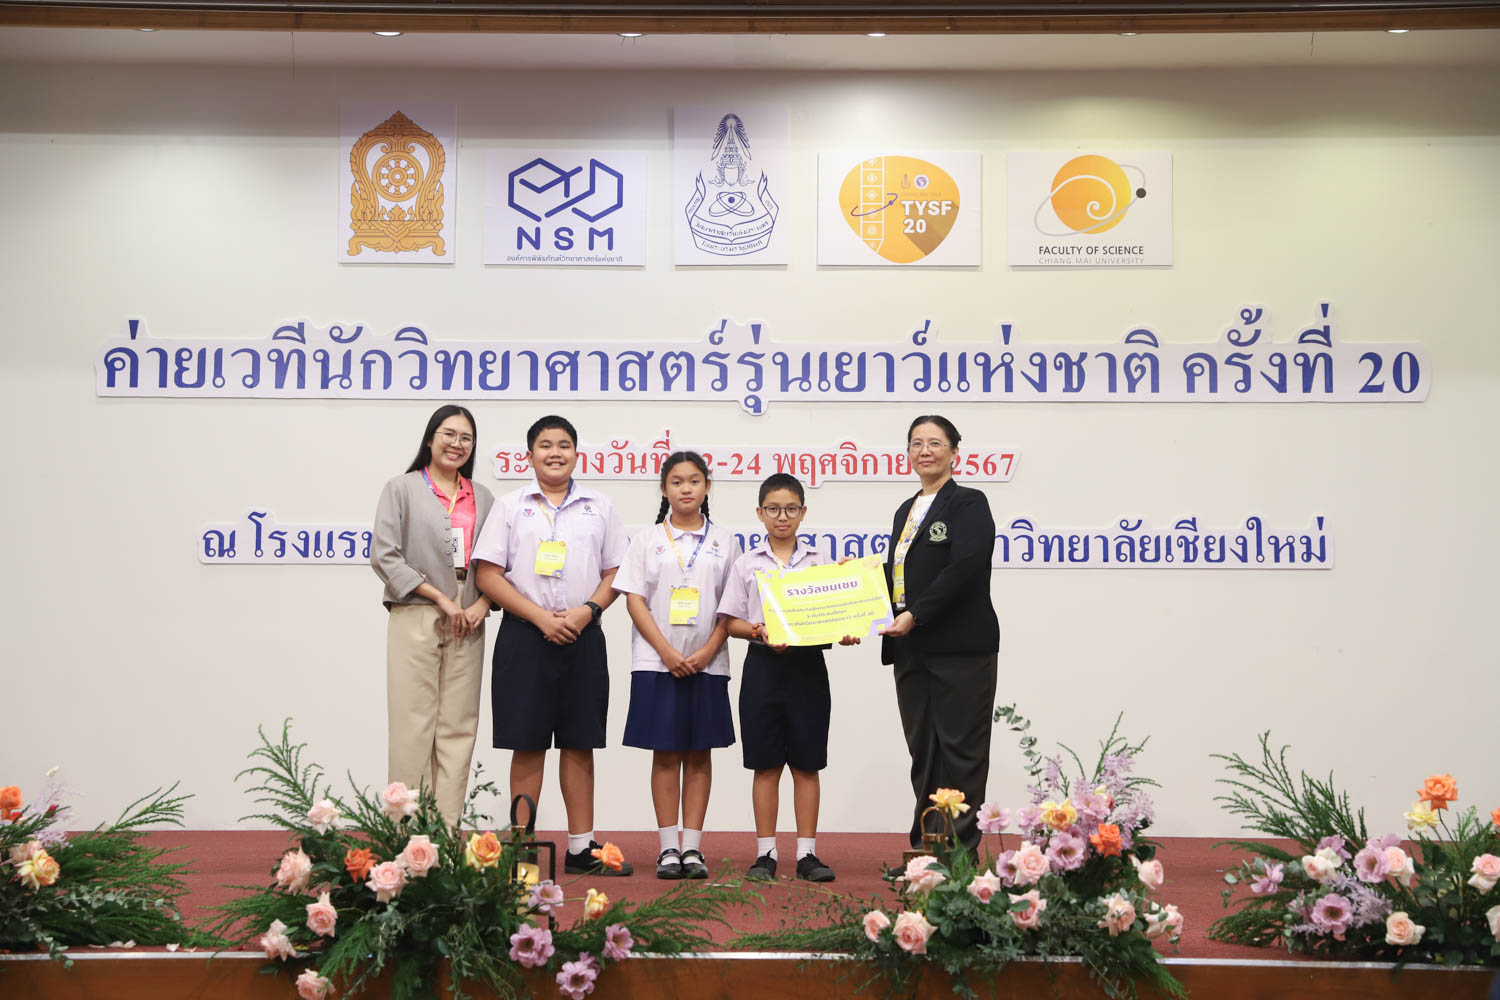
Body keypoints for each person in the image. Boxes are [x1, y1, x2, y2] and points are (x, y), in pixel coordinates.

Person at [472, 415, 634, 876]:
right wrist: (540, 616)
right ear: (530, 455)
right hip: (525, 636)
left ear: (576, 454)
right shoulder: (510, 506)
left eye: (564, 445)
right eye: (545, 445)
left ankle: (581, 848)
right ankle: (522, 851)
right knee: (527, 744)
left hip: (584, 635)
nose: (555, 453)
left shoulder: (600, 506)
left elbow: (616, 571)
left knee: (579, 743)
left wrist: (587, 611)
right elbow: (488, 575)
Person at [721, 473, 860, 883]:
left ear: (803, 512)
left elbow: (840, 617)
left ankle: (806, 854)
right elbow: (730, 622)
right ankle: (765, 854)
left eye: (790, 509)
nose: (782, 517)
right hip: (763, 667)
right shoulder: (747, 563)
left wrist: (847, 627)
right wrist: (759, 631)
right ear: (759, 513)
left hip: (807, 668)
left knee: (806, 764)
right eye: (773, 509)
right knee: (765, 765)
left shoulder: (821, 563)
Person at [613, 452, 741, 880]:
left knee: (699, 753)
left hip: (709, 662)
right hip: (656, 662)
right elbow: (634, 600)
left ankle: (693, 849)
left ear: (707, 486)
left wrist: (708, 650)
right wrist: (666, 651)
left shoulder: (725, 541)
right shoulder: (646, 539)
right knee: (665, 753)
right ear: (664, 489)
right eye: (676, 481)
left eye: (694, 481)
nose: (686, 489)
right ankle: (668, 847)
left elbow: (731, 605)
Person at [879, 415, 1000, 853]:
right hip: (911, 648)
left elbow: (964, 568)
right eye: (916, 443)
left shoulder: (969, 503)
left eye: (934, 443)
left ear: (954, 453)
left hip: (960, 648)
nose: (924, 451)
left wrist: (916, 614)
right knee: (924, 752)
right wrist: (855, 589)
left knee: (961, 753)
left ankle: (958, 856)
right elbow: (899, 575)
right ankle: (926, 851)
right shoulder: (905, 510)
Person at [371, 405, 494, 827]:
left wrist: (481, 604)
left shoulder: (483, 497)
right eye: (449, 434)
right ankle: (405, 833)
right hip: (418, 609)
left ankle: (446, 832)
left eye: (466, 438)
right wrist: (441, 598)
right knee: (413, 724)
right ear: (430, 438)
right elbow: (384, 554)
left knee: (458, 727)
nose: (457, 444)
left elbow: (499, 561)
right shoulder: (401, 488)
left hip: (469, 616)